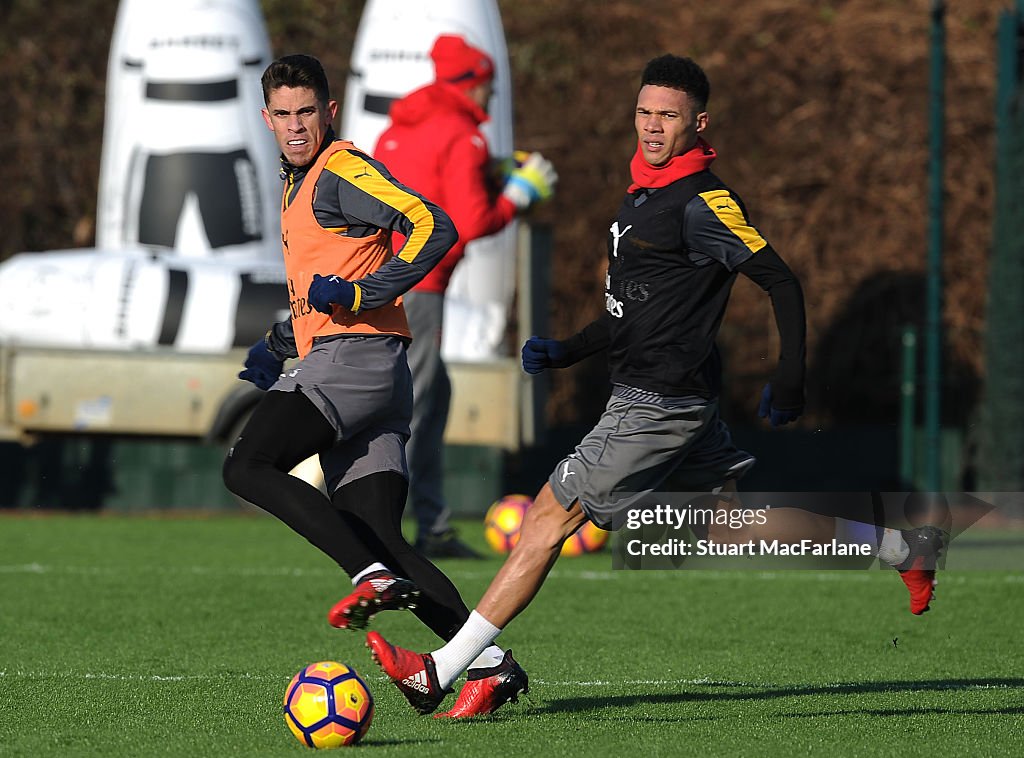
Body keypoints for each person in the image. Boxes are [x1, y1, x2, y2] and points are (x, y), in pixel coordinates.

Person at [365, 54, 944, 716]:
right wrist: (568, 350)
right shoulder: (640, 195)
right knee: (730, 528)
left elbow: (781, 280)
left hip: (658, 405)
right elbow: (633, 308)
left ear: (699, 123)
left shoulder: (702, 203)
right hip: (658, 397)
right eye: (644, 112)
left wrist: (790, 377)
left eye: (667, 115)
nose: (651, 125)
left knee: (547, 520)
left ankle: (441, 670)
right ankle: (898, 544)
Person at [223, 54, 526, 719]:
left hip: (352, 366)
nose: (296, 125)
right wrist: (279, 344)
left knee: (247, 465)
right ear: (267, 117)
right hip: (370, 373)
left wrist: (367, 291)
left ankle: (366, 575)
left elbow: (433, 226)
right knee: (383, 534)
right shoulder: (298, 182)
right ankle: (491, 662)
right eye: (283, 114)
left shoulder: (339, 169)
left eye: (307, 112)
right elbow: (325, 280)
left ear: (330, 111)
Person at [373, 34, 557, 559]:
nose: (490, 98)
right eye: (488, 87)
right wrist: (517, 197)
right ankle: (385, 529)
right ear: (471, 83)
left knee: (431, 400)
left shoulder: (399, 128)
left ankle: (431, 525)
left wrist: (490, 175)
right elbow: (469, 220)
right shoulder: (460, 134)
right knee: (416, 406)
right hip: (421, 285)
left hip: (383, 279)